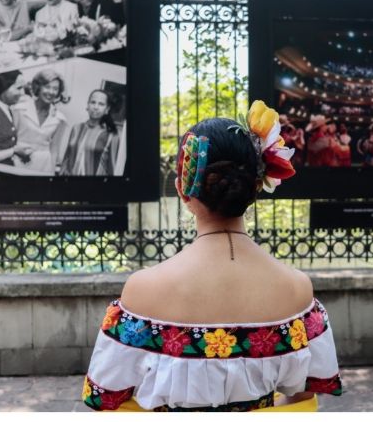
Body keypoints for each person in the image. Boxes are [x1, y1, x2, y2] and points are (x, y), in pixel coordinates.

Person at [82, 101, 342, 411]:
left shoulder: (142, 291)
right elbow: (304, 396)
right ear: (257, 187)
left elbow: (104, 397)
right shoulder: (297, 289)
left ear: (182, 190)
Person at [11, 69, 69, 174]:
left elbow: (54, 150)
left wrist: (51, 174)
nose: (51, 92)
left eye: (55, 89)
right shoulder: (19, 109)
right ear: (38, 87)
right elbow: (9, 139)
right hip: (17, 162)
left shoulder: (60, 119)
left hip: (43, 167)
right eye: (47, 87)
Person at [61, 89, 121, 176]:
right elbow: (66, 157)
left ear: (107, 109)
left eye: (101, 104)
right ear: (88, 105)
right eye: (93, 102)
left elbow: (112, 167)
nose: (96, 107)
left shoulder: (111, 134)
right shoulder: (76, 128)